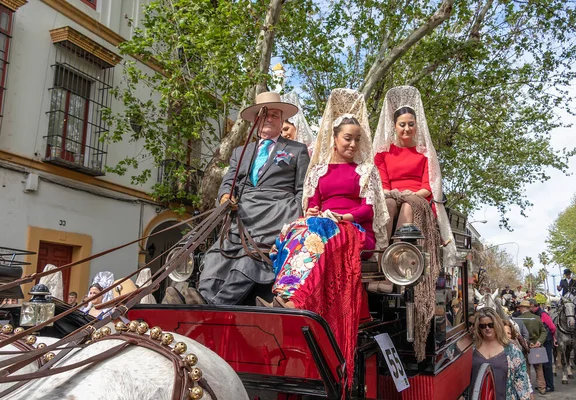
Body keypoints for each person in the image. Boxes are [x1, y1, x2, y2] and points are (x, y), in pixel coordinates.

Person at [259, 88, 389, 389]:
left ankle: (295, 300)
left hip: (355, 231)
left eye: (357, 139)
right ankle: (285, 295)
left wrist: (345, 217)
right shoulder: (317, 171)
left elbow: (369, 208)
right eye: (348, 138)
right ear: (335, 138)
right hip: (325, 224)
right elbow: (313, 202)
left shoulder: (366, 171)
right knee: (295, 229)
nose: (353, 144)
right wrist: (316, 209)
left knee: (319, 229)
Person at [191, 92, 310, 305]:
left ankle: (216, 305)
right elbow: (229, 181)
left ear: (281, 119)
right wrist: (225, 196)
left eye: (274, 115)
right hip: (242, 216)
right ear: (256, 120)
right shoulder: (240, 152)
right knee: (216, 254)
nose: (269, 119)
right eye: (264, 115)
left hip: (275, 215)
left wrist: (294, 217)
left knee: (250, 258)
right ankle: (203, 298)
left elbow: (302, 189)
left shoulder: (296, 150)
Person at [373, 85, 456, 362]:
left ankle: (398, 264)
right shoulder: (383, 155)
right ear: (394, 126)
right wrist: (394, 193)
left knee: (407, 204)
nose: (406, 129)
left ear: (416, 126)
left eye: (410, 124)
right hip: (391, 197)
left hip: (417, 200)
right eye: (402, 125)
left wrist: (407, 194)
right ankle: (382, 256)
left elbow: (427, 188)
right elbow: (382, 185)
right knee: (389, 203)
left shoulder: (424, 156)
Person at [471, 308, 531, 400]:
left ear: (497, 325)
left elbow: (521, 382)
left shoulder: (512, 350)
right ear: (478, 328)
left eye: (491, 325)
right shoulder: (472, 349)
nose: (487, 328)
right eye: (482, 326)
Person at [515, 300, 547, 395]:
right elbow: (544, 332)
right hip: (537, 347)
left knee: (526, 368)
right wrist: (539, 342)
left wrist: (527, 343)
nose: (519, 309)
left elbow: (519, 334)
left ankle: (528, 389)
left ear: (522, 308)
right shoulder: (537, 318)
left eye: (520, 307)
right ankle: (542, 387)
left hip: (525, 347)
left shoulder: (518, 319)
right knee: (539, 368)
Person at [529, 298, 556, 393]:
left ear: (533, 306)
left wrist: (552, 337)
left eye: (530, 307)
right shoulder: (537, 314)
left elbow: (552, 327)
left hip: (547, 341)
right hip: (543, 341)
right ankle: (545, 384)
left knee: (547, 363)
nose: (529, 308)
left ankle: (550, 385)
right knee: (542, 363)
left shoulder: (543, 314)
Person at [281, 92, 316, 156]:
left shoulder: (313, 149)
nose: (283, 134)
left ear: (296, 126)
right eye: (280, 132)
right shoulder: (282, 153)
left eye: (286, 129)